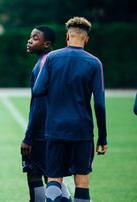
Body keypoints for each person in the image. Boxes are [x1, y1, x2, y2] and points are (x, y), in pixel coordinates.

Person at [33, 17, 107, 202]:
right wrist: (102, 137)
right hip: (81, 131)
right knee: (81, 178)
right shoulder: (94, 63)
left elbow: (37, 90)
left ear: (67, 36)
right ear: (86, 39)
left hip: (55, 129)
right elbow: (99, 103)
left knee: (54, 177)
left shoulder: (52, 58)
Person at [21, 26, 71, 202]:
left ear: (47, 43)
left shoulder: (44, 64)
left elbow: (39, 104)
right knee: (52, 174)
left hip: (42, 132)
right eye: (30, 37)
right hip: (56, 128)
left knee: (35, 173)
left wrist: (28, 137)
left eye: (35, 38)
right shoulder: (53, 61)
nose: (29, 40)